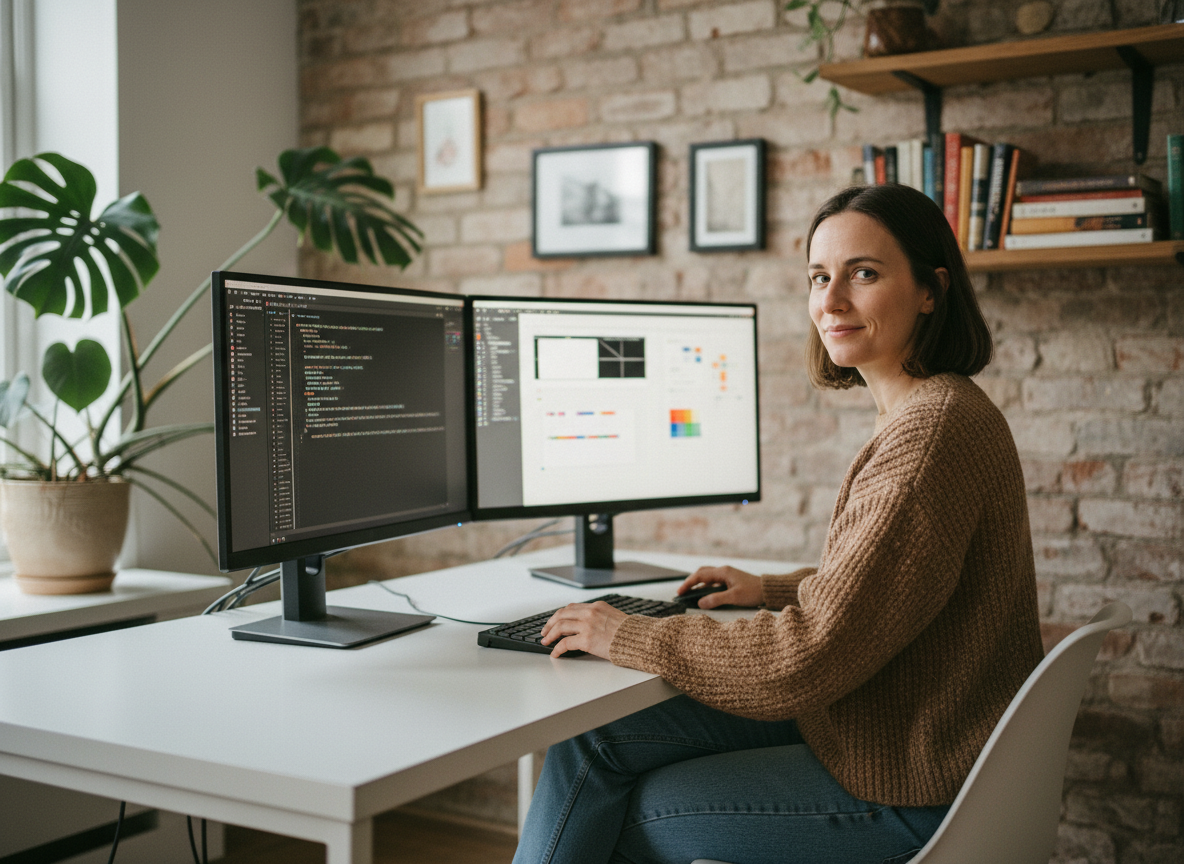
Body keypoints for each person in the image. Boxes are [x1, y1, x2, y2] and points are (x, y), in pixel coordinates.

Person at [516, 183, 1044, 864]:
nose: (830, 301)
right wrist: (771, 589)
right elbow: (891, 591)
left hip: (909, 782)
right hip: (893, 732)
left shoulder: (929, 436)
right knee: (593, 740)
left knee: (626, 808)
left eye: (864, 273)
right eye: (819, 277)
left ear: (929, 291)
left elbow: (806, 661)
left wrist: (633, 635)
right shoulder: (935, 410)